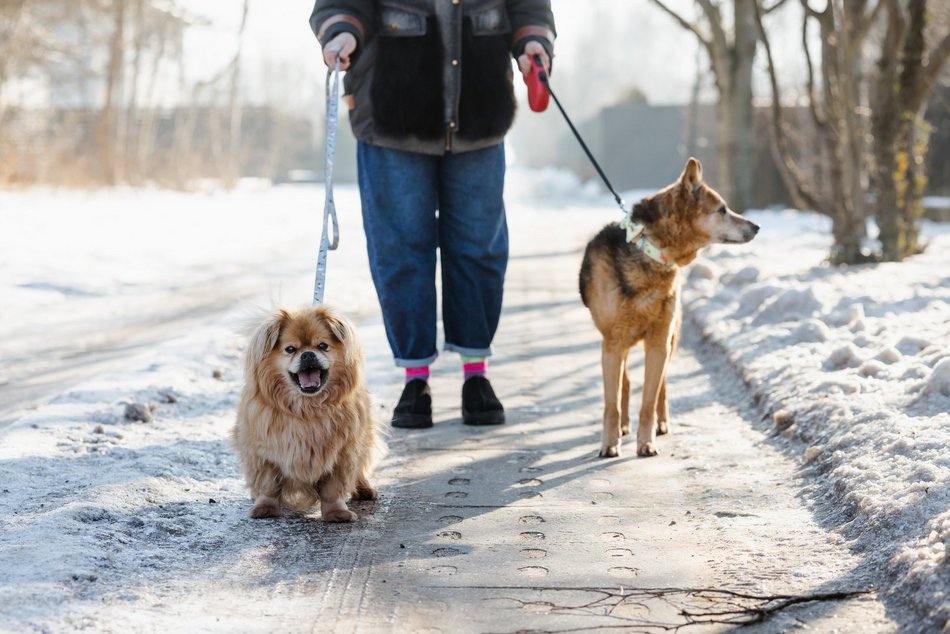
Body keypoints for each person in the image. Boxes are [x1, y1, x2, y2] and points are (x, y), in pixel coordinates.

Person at [310, 0, 555, 429]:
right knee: (401, 248)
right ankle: (414, 379)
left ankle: (476, 373)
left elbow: (529, 6)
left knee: (478, 246)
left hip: (479, 113)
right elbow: (340, 4)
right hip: (390, 117)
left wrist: (531, 41)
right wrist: (342, 30)